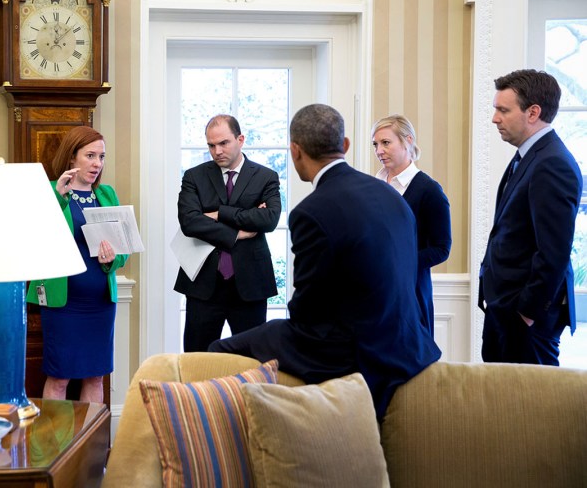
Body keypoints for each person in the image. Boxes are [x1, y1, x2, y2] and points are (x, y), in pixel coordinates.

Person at [210, 104, 441, 419]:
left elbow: (307, 312)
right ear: (345, 145)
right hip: (409, 340)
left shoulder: (311, 212)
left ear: (295, 151)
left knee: (219, 349)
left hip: (354, 349)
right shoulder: (390, 195)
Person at [479, 69, 582, 365]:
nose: (495, 118)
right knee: (499, 392)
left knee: (531, 395)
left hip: (525, 318)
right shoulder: (530, 155)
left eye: (503, 110)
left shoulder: (552, 163)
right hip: (505, 309)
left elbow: (553, 252)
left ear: (533, 112)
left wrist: (527, 313)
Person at [26, 126, 128, 403]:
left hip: (101, 303)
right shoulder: (50, 191)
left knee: (95, 376)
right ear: (72, 157)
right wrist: (59, 200)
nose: (97, 164)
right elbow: (35, 238)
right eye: (90, 155)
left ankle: (91, 434)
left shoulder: (106, 194)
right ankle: (54, 434)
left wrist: (113, 258)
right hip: (63, 303)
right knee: (59, 377)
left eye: (101, 157)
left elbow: (123, 247)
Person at [174, 114, 281, 352]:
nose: (217, 151)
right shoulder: (194, 176)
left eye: (223, 143)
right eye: (211, 145)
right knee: (196, 360)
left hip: (250, 284)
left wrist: (219, 213)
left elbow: (269, 219)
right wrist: (237, 233)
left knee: (251, 360)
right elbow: (189, 222)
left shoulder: (265, 177)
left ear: (240, 139)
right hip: (203, 284)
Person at [372, 114, 452, 336]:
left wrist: (399, 262)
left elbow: (441, 249)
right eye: (375, 144)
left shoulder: (429, 190)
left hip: (411, 294)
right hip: (375, 292)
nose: (379, 151)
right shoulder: (372, 187)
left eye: (385, 143)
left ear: (408, 141)